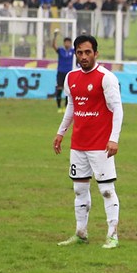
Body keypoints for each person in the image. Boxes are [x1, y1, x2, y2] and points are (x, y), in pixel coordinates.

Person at [53, 35, 123, 250]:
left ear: (96, 53)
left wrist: (113, 139)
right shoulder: (71, 77)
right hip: (78, 145)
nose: (83, 56)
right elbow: (72, 107)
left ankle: (112, 235)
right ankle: (80, 233)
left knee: (106, 190)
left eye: (87, 52)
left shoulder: (106, 78)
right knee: (79, 190)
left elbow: (117, 109)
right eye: (80, 53)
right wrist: (61, 132)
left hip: (101, 146)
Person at [52, 34, 75, 112]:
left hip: (69, 74)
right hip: (60, 72)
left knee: (68, 91)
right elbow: (54, 46)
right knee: (59, 89)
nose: (67, 44)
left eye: (69, 42)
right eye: (66, 42)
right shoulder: (61, 50)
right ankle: (59, 107)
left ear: (71, 43)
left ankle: (65, 107)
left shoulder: (73, 51)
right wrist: (55, 37)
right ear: (64, 43)